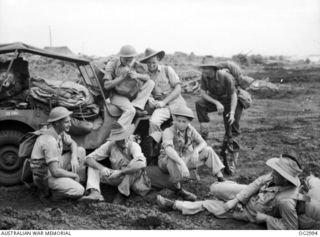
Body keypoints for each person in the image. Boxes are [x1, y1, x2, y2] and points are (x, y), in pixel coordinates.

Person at [157, 154, 303, 230]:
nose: (272, 173)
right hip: (249, 196)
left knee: (209, 205)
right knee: (215, 188)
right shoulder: (275, 177)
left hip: (251, 212)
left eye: (276, 172)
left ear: (285, 179)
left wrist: (266, 219)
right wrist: (238, 200)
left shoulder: (285, 202)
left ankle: (175, 205)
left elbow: (291, 229)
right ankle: (229, 189)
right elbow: (257, 182)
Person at [157, 106, 225, 201]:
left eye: (184, 122)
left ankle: (220, 179)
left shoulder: (190, 129)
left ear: (189, 122)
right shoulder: (168, 131)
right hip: (167, 161)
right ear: (175, 120)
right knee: (172, 159)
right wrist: (181, 163)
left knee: (208, 150)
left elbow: (203, 143)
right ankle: (178, 190)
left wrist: (196, 151)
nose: (181, 124)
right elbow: (168, 150)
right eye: (178, 121)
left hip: (184, 158)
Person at [81, 122, 151, 202]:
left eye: (125, 136)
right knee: (92, 167)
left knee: (134, 165)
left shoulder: (133, 145)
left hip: (131, 178)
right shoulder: (110, 145)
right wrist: (102, 168)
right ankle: (95, 193)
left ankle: (121, 194)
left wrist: (121, 172)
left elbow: (142, 164)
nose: (124, 140)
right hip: (116, 176)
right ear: (115, 139)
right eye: (120, 138)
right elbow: (88, 158)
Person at [195, 63, 244, 174]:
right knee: (200, 104)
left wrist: (231, 113)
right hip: (218, 100)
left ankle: (231, 161)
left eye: (206, 68)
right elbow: (202, 93)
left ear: (213, 69)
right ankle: (204, 135)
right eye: (203, 68)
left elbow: (234, 96)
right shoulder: (204, 76)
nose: (204, 70)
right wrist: (216, 103)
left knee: (232, 129)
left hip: (232, 101)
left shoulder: (225, 77)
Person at [30, 106, 86, 199]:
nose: (70, 124)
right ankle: (52, 194)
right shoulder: (49, 141)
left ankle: (75, 182)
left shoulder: (59, 132)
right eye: (67, 122)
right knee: (79, 191)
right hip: (46, 176)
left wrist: (74, 158)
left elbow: (73, 143)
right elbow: (55, 172)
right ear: (56, 123)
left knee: (80, 151)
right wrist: (73, 175)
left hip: (54, 166)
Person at [140, 48, 187, 143]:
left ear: (158, 60)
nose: (151, 65)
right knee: (154, 122)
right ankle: (158, 145)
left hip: (176, 103)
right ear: (146, 63)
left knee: (182, 127)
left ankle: (185, 146)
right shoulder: (146, 76)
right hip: (161, 106)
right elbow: (146, 92)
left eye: (154, 62)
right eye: (149, 63)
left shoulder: (167, 70)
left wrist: (164, 102)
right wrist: (150, 100)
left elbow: (178, 88)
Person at [103, 45, 155, 129]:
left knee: (151, 83)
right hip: (118, 95)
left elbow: (147, 77)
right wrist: (122, 77)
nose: (128, 62)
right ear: (121, 57)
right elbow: (106, 85)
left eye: (130, 60)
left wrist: (137, 75)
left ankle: (137, 106)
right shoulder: (112, 64)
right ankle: (118, 130)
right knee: (130, 111)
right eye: (126, 60)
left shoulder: (134, 63)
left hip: (132, 95)